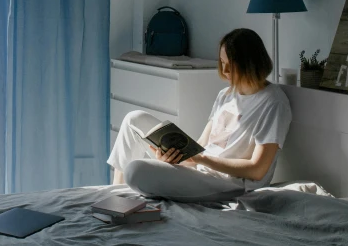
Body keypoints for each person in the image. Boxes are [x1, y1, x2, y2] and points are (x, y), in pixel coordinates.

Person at [107, 28, 292, 202]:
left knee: (135, 170)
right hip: (200, 170)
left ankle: (119, 201)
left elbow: (258, 170)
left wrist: (201, 160)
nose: (225, 71)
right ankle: (116, 199)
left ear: (250, 64)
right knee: (134, 119)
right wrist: (176, 156)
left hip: (226, 183)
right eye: (222, 63)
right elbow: (200, 146)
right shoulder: (226, 95)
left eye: (231, 66)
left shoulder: (273, 102)